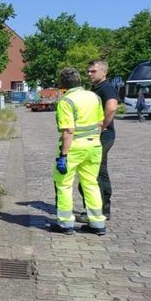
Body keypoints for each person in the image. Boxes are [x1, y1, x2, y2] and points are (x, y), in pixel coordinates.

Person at [53, 67, 106, 235]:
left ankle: (65, 224)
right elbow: (100, 122)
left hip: (74, 148)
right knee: (91, 183)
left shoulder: (66, 102)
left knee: (64, 185)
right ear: (80, 80)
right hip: (94, 146)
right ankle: (97, 223)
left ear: (62, 84)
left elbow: (68, 131)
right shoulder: (94, 97)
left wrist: (63, 155)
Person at [76, 60, 117, 222]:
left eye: (93, 71)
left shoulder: (106, 87)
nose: (89, 74)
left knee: (90, 174)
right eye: (88, 71)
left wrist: (102, 125)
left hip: (102, 135)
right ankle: (104, 209)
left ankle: (95, 212)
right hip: (103, 135)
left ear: (103, 72)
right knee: (101, 171)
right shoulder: (97, 88)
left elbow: (112, 107)